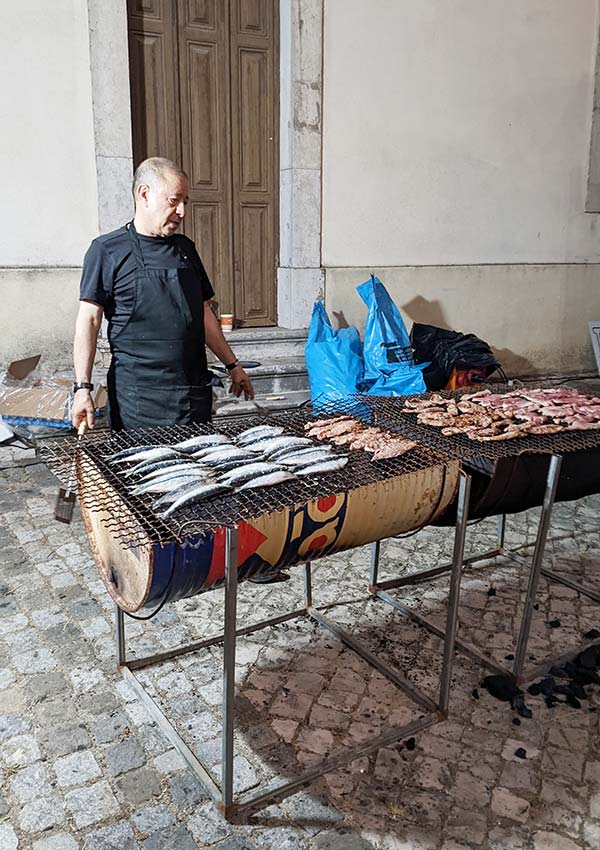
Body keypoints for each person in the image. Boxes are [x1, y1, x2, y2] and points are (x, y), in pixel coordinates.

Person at [72, 157, 254, 430]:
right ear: (144, 194)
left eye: (185, 202)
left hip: (192, 392)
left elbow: (203, 312)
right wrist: (82, 388)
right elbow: (89, 321)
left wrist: (233, 365)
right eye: (174, 200)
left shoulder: (186, 249)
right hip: (138, 399)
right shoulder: (107, 250)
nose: (181, 211)